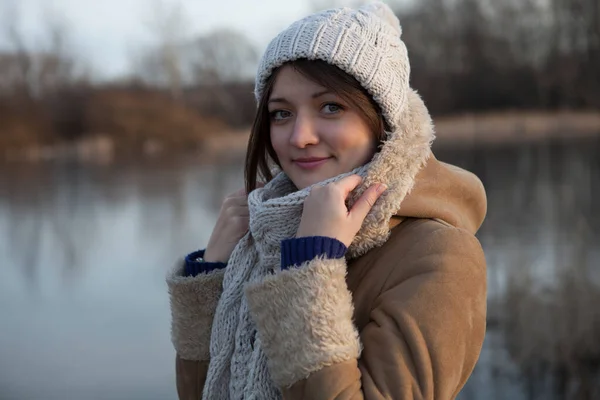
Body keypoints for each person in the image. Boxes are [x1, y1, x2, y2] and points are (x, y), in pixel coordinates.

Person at [167, 2, 487, 399]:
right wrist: (212, 273)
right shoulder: (263, 237)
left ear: (383, 120)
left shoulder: (441, 254)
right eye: (281, 114)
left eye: (331, 107)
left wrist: (311, 265)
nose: (300, 136)